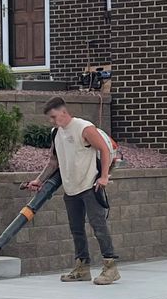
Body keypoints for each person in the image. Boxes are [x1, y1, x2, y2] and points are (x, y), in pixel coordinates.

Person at [23, 96, 118, 284]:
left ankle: (111, 267)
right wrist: (39, 180)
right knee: (76, 230)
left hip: (90, 185)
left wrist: (104, 176)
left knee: (98, 227)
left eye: (53, 117)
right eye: (50, 118)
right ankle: (82, 268)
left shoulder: (84, 128)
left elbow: (104, 150)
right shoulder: (56, 133)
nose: (51, 121)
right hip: (71, 188)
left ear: (64, 113)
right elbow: (53, 162)